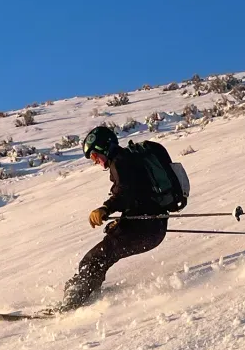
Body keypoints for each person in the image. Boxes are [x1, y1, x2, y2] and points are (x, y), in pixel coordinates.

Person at [57, 125, 182, 311]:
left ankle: (73, 302)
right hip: (153, 227)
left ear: (103, 147)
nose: (94, 161)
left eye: (93, 155)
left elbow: (125, 193)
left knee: (93, 260)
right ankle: (86, 295)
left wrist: (105, 209)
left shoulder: (120, 161)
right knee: (103, 256)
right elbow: (138, 197)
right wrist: (122, 220)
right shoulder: (127, 160)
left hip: (146, 227)